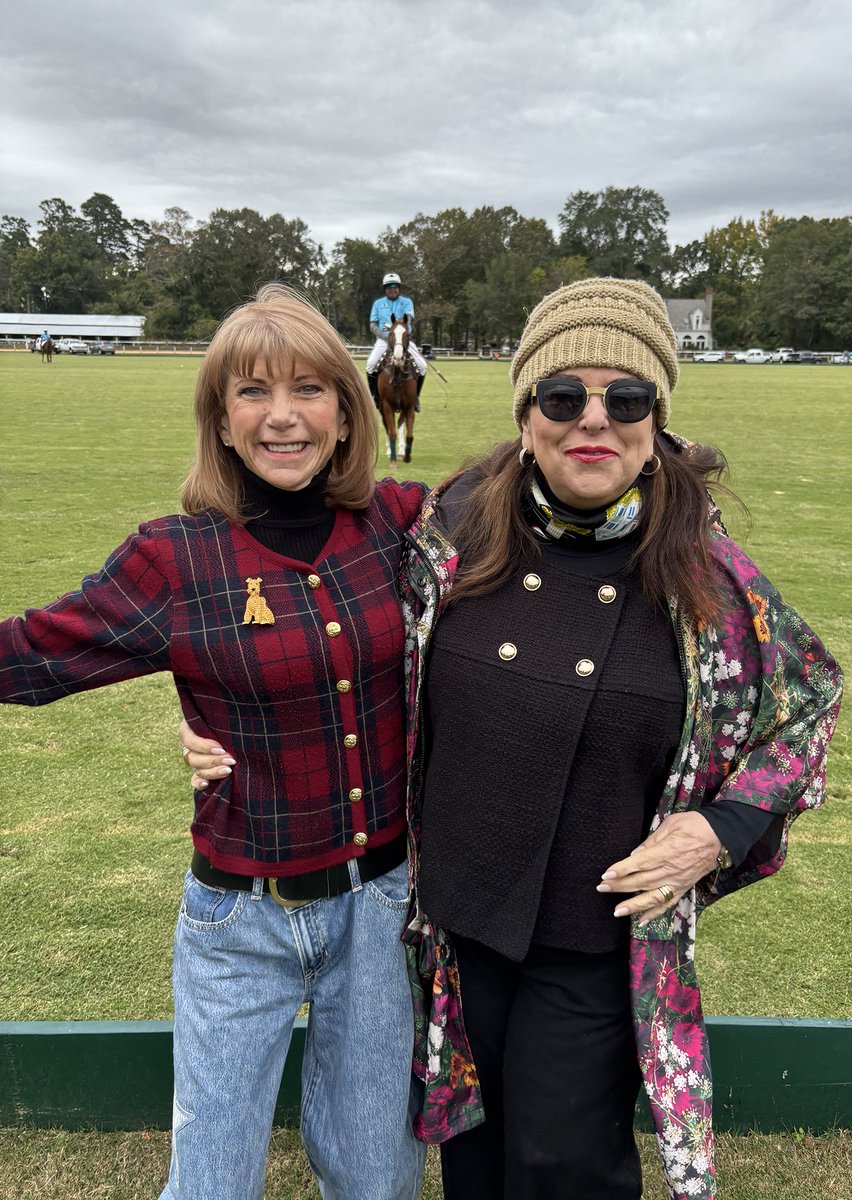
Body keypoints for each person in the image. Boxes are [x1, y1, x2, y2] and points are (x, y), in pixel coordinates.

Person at [181, 279, 843, 1200]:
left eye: (628, 398)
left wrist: (721, 827)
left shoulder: (704, 567)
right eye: (563, 397)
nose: (594, 421)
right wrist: (221, 715)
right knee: (477, 1164)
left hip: (594, 932)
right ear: (527, 412)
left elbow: (812, 698)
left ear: (658, 419)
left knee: (564, 1167)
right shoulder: (450, 525)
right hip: (454, 926)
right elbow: (329, 614)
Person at [0, 284, 427, 1200]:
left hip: (382, 908)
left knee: (376, 1174)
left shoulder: (397, 522)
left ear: (350, 414)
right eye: (252, 393)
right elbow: (31, 657)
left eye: (311, 389)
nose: (283, 417)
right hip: (243, 918)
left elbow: (544, 504)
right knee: (211, 1183)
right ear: (221, 422)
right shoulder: (172, 557)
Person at [365, 272, 427, 409]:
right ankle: (376, 397)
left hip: (402, 340)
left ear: (399, 288)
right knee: (370, 365)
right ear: (385, 289)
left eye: (395, 287)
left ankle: (415, 398)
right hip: (384, 339)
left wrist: (398, 334)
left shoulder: (407, 302)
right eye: (388, 287)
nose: (392, 289)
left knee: (422, 366)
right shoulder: (378, 304)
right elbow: (373, 325)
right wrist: (387, 336)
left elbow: (409, 319)